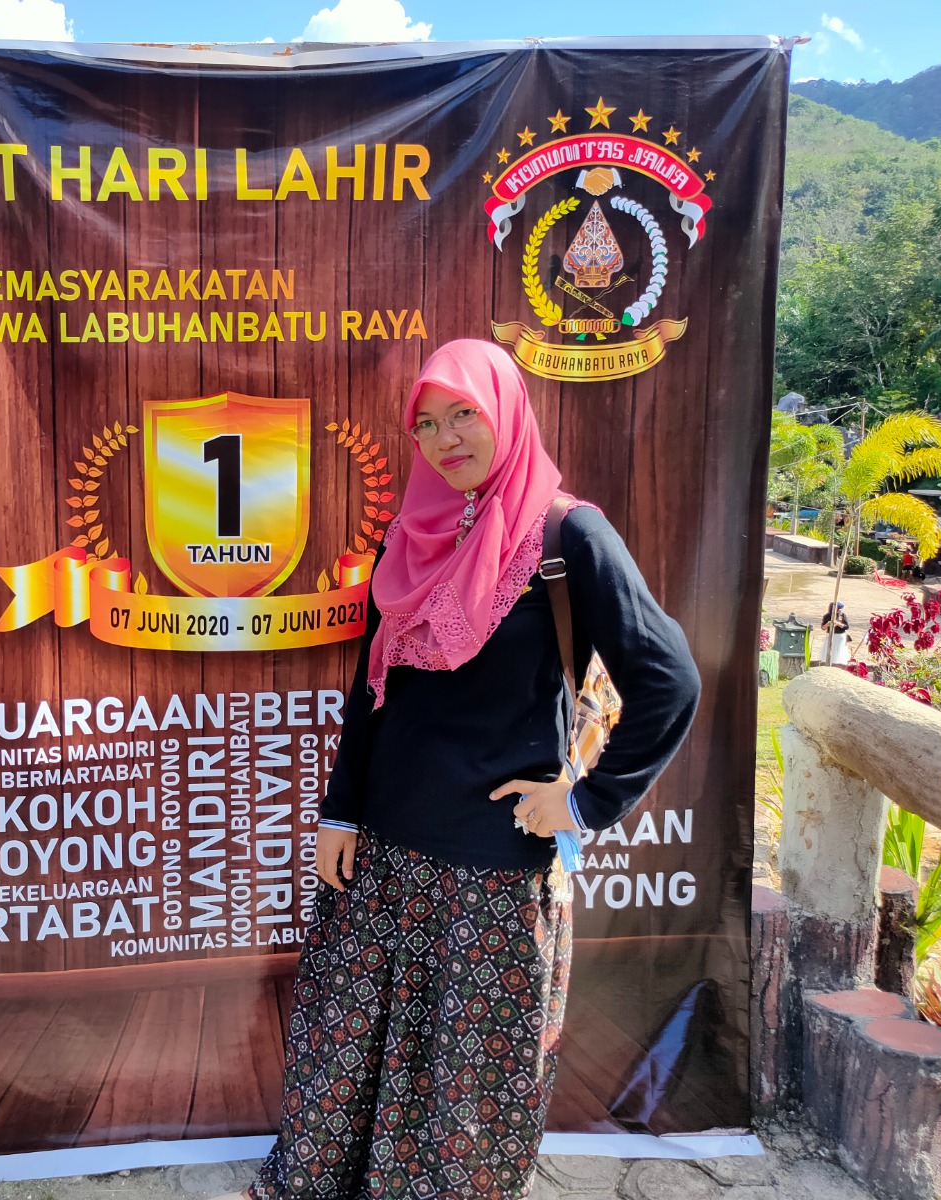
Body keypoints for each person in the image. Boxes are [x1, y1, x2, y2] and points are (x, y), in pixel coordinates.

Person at [228, 340, 702, 1200]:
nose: (446, 439)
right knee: (347, 1050)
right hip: (382, 855)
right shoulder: (410, 536)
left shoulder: (567, 535)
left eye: (464, 415)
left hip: (494, 869)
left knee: (469, 1081)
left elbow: (668, 682)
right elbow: (375, 688)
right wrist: (339, 812)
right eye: (427, 424)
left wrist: (585, 804)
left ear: (505, 413)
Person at [820, 601, 851, 665]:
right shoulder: (827, 616)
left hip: (840, 637)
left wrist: (838, 624)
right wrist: (828, 624)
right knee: (829, 650)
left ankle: (839, 664)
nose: (840, 610)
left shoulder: (842, 615)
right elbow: (823, 628)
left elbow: (847, 627)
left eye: (841, 608)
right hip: (830, 636)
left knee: (839, 651)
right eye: (839, 608)